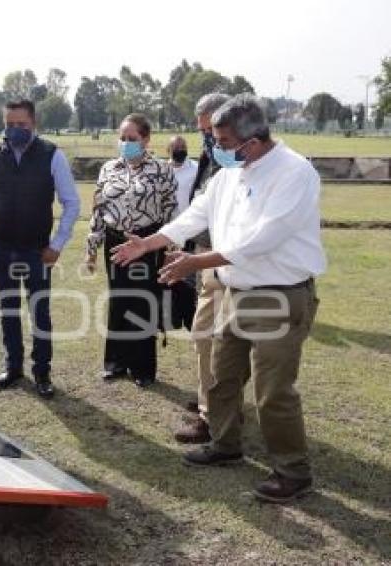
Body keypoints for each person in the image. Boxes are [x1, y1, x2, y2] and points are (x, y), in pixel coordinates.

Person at [110, 94, 326, 503]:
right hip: (235, 290)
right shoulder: (230, 173)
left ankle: (293, 472)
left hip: (279, 295)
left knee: (272, 391)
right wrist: (150, 243)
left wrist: (196, 262)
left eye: (223, 141)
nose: (216, 148)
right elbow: (196, 214)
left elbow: (263, 239)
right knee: (222, 374)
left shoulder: (295, 172)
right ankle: (226, 444)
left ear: (255, 140)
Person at [0, 99, 81, 399]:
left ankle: (42, 372)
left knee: (40, 313)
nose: (15, 130)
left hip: (37, 252)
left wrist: (57, 245)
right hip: (1, 250)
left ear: (34, 124)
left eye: (22, 124)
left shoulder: (51, 154)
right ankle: (13, 367)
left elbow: (72, 203)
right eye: (9, 124)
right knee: (8, 311)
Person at [85, 113, 177, 388]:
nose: (126, 143)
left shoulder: (161, 170)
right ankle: (116, 362)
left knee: (143, 300)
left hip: (147, 243)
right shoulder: (108, 169)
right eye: (122, 138)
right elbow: (99, 210)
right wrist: (91, 248)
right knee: (119, 299)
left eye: (132, 139)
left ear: (146, 139)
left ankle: (142, 367)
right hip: (114, 241)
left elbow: (172, 211)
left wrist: (170, 247)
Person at [173, 93, 231, 444]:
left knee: (214, 339)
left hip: (230, 261)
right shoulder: (211, 159)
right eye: (202, 132)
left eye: (212, 131)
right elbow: (198, 208)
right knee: (206, 337)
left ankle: (215, 413)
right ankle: (215, 403)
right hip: (206, 258)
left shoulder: (240, 164)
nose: (207, 138)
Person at [166, 135, 198, 214]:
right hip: (169, 221)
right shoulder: (162, 171)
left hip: (191, 220)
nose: (180, 150)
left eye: (183, 147)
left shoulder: (196, 169)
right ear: (168, 150)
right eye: (176, 148)